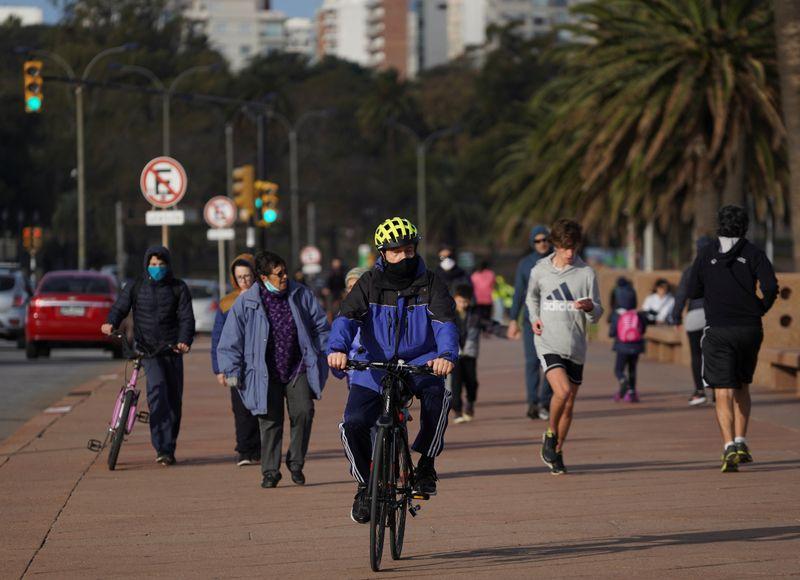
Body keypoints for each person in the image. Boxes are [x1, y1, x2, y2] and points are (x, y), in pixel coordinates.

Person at [328, 217, 457, 524]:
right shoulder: (369, 283)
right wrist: (337, 349)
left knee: (439, 399)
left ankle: (426, 463)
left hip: (420, 364)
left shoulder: (432, 283)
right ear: (383, 253)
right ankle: (364, 486)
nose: (404, 256)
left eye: (409, 249)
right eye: (396, 251)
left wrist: (446, 355)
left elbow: (445, 324)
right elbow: (346, 319)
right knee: (352, 424)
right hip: (373, 368)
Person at [217, 251, 331, 488]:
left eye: (285, 271)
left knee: (304, 411)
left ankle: (296, 462)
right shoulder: (246, 303)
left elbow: (321, 326)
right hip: (263, 371)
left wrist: (324, 350)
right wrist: (230, 369)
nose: (285, 277)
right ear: (263, 277)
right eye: (278, 274)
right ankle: (270, 471)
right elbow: (230, 340)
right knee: (270, 420)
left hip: (297, 367)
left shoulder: (300, 294)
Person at [686, 205, 778, 473]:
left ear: (719, 226)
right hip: (750, 328)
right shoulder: (754, 253)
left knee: (722, 390)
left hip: (718, 329)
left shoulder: (706, 254)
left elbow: (693, 290)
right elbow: (771, 286)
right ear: (745, 226)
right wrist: (760, 307)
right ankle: (741, 440)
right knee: (742, 385)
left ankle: (728, 446)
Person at [101, 246, 195, 466]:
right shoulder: (135, 286)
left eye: (161, 265)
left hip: (172, 350)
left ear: (168, 265)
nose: (157, 268)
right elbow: (120, 307)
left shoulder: (178, 288)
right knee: (157, 392)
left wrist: (184, 341)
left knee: (173, 400)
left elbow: (186, 319)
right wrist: (110, 323)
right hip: (147, 350)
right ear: (146, 265)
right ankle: (161, 447)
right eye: (153, 264)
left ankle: (169, 447)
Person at [526, 219, 603, 475]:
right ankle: (549, 434)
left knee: (569, 403)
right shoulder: (540, 270)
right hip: (547, 341)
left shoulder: (586, 273)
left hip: (576, 344)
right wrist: (534, 318)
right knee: (563, 391)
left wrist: (591, 308)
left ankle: (557, 449)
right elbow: (531, 297)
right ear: (555, 245)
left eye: (574, 248)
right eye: (565, 247)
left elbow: (598, 312)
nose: (570, 253)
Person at [210, 253, 261, 466]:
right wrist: (219, 369)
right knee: (239, 407)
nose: (244, 281)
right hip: (234, 364)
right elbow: (218, 337)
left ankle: (259, 448)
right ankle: (244, 450)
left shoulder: (265, 298)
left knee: (261, 406)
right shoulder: (227, 303)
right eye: (239, 277)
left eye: (248, 276)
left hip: (260, 363)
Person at [507, 225, 554, 420]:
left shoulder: (556, 260)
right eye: (538, 241)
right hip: (530, 320)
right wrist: (513, 320)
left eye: (545, 240)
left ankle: (545, 402)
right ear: (532, 243)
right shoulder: (525, 264)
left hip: (553, 321)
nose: (542, 244)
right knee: (532, 362)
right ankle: (533, 402)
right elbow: (519, 293)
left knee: (551, 363)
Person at [670, 236, 714, 406]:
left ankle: (699, 391)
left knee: (697, 355)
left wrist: (676, 318)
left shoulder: (690, 270)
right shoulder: (719, 266)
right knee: (715, 354)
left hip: (694, 315)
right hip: (714, 316)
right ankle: (718, 392)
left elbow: (681, 295)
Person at [608, 277, 647, 403]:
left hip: (622, 346)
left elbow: (612, 332)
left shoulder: (617, 314)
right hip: (636, 346)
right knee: (632, 369)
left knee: (619, 369)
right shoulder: (638, 314)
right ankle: (632, 392)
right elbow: (642, 330)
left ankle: (622, 380)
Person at [450, 284, 482, 424]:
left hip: (469, 354)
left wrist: (506, 331)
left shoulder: (475, 314)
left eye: (465, 301)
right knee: (455, 384)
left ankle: (470, 403)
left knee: (471, 382)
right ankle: (457, 411)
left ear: (469, 301)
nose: (462, 304)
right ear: (454, 299)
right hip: (454, 355)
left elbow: (490, 325)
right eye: (459, 301)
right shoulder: (448, 314)